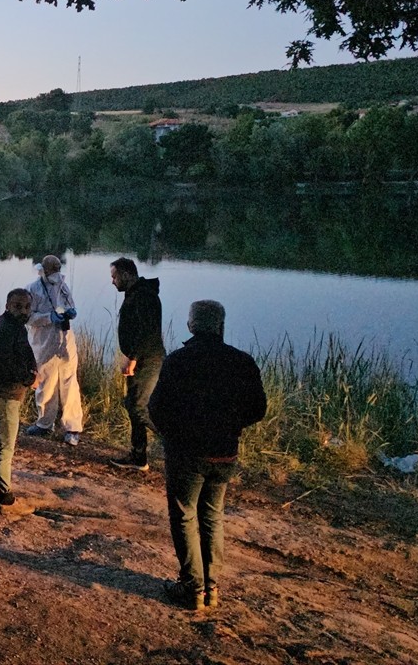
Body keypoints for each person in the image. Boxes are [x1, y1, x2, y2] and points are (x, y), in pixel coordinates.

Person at [149, 300, 266, 610]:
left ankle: (192, 587)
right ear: (221, 326)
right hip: (224, 454)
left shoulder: (178, 361)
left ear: (191, 326)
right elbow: (258, 409)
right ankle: (211, 588)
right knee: (212, 517)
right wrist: (230, 427)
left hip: (186, 453)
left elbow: (156, 408)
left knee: (185, 515)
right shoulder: (242, 362)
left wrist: (172, 434)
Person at [108, 257, 165, 471]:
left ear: (126, 275)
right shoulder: (136, 293)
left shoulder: (144, 296)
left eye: (114, 276)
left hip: (147, 360)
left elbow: (147, 332)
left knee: (140, 407)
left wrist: (132, 358)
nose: (112, 281)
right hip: (142, 358)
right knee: (133, 404)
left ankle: (179, 446)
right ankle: (138, 456)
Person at [0, 289, 39, 509]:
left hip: (0, 395)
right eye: (17, 306)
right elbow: (7, 365)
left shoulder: (11, 326)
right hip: (5, 397)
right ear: (8, 306)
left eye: (26, 306)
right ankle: (6, 499)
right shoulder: (7, 330)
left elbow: (22, 355)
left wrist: (32, 371)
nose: (23, 311)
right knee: (6, 448)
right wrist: (29, 379)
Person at [24, 255, 84, 446]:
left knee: (70, 384)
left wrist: (70, 312)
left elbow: (70, 305)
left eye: (57, 267)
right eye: (53, 268)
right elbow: (28, 317)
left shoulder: (63, 286)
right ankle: (44, 423)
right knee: (45, 384)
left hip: (65, 343)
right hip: (43, 343)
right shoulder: (32, 289)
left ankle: (72, 427)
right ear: (44, 269)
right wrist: (48, 317)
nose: (56, 271)